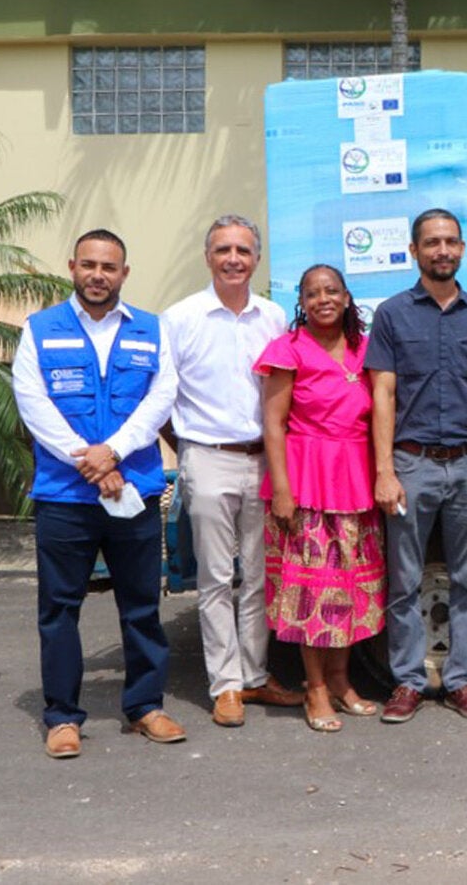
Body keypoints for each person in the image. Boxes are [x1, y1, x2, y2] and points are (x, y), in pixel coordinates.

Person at [12, 229, 186, 757]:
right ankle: (63, 717)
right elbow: (32, 400)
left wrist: (112, 450)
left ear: (124, 274)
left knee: (140, 607)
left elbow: (163, 396)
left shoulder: (151, 330)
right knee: (59, 609)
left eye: (108, 267)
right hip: (65, 497)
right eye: (88, 264)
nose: (97, 275)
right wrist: (87, 459)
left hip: (132, 489)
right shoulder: (40, 329)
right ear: (72, 267)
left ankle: (145, 706)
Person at [162, 215, 305, 728]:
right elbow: (162, 397)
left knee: (261, 576)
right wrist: (189, 453)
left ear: (256, 259)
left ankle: (256, 676)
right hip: (207, 456)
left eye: (243, 250)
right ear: (208, 257)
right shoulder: (180, 318)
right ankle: (224, 684)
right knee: (217, 578)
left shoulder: (273, 318)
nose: (233, 259)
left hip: (265, 459)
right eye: (223, 249)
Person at [366, 208, 467, 723]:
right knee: (404, 581)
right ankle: (407, 681)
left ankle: (461, 681)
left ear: (462, 249)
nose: (442, 250)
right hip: (412, 464)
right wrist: (384, 470)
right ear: (414, 251)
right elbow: (382, 394)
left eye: (450, 241)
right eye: (431, 242)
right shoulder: (392, 314)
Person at [256, 265, 386, 732]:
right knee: (312, 590)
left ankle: (339, 679)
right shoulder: (288, 351)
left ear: (348, 297)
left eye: (332, 291)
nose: (323, 299)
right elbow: (273, 425)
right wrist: (283, 490)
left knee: (350, 588)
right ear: (301, 301)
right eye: (313, 293)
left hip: (354, 480)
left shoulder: (366, 350)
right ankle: (314, 687)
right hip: (306, 481)